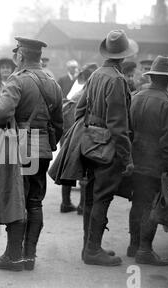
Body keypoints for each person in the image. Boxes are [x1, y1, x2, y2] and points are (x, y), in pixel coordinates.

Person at [0, 37, 63, 271]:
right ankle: (29, 256)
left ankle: (13, 257)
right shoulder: (53, 83)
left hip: (18, 148)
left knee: (16, 200)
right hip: (42, 150)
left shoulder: (17, 80)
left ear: (21, 56)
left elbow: (1, 113)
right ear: (38, 56)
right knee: (35, 202)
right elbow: (59, 123)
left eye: (17, 54)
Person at [75, 29, 137, 266]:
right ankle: (93, 250)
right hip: (109, 145)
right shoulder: (118, 80)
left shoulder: (95, 74)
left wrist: (89, 131)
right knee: (102, 198)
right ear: (123, 56)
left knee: (90, 196)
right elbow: (119, 125)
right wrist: (127, 157)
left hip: (90, 142)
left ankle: (89, 247)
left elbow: (80, 109)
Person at [128, 55, 168, 266]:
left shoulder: (136, 96)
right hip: (155, 161)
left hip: (135, 158)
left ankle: (133, 245)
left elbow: (128, 130)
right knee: (152, 204)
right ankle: (145, 250)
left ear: (151, 77)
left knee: (138, 202)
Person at [60, 63, 98, 215]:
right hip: (83, 136)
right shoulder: (91, 95)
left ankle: (65, 202)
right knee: (85, 170)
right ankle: (82, 205)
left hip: (68, 136)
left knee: (67, 168)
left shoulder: (74, 95)